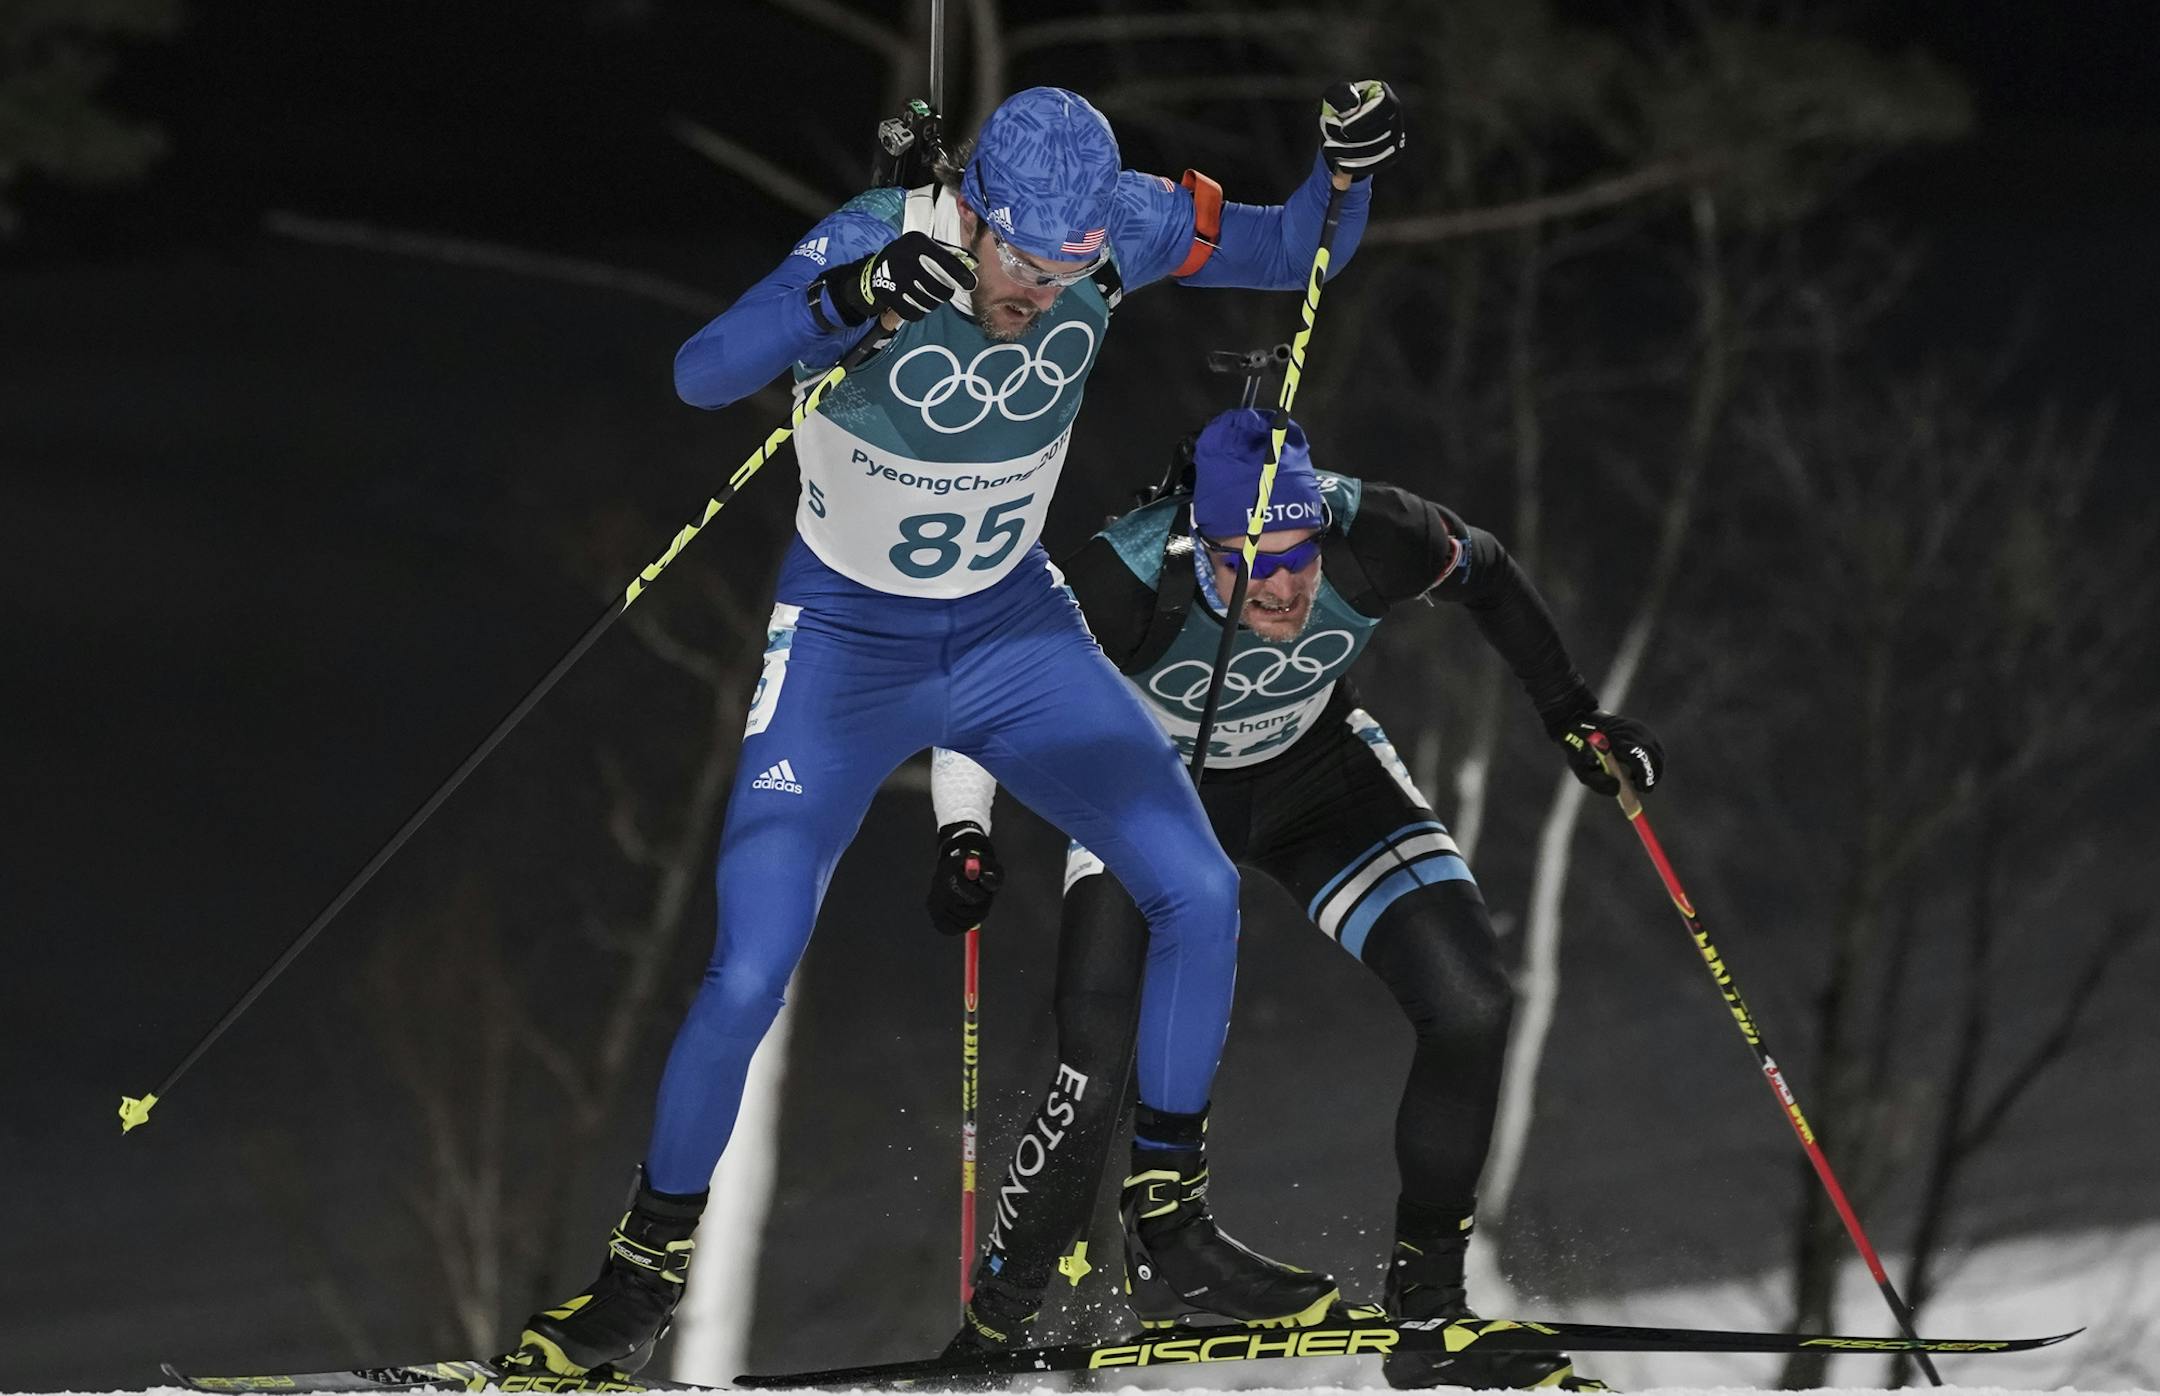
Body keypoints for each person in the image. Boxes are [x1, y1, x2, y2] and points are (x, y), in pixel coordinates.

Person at [508, 84, 1408, 1378]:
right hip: (844, 652)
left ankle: (1169, 1230)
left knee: (1200, 889)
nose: (1045, 292)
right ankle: (644, 1273)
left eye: (1075, 268)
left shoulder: (1122, 226)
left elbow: (1292, 248)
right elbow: (701, 372)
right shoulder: (882, 235)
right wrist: (848, 296)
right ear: (976, 217)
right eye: (1026, 268)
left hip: (1010, 638)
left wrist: (1346, 176)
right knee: (749, 966)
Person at [926, 407, 1662, 1389]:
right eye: (1252, 565)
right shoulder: (1127, 574)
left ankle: (1429, 1308)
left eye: (1298, 557)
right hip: (1154, 792)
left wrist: (1574, 716)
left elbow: (1484, 569)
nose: (1282, 587)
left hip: (1317, 778)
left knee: (1471, 998)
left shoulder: (1372, 531)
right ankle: (1000, 1326)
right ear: (1204, 548)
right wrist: (963, 833)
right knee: (1094, 1068)